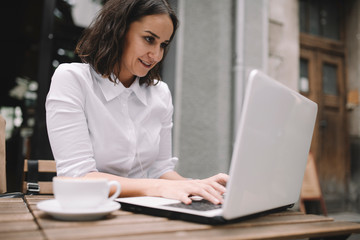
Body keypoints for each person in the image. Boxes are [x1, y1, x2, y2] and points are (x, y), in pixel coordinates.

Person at [46, 0, 228, 205]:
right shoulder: (72, 80)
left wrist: (199, 187)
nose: (156, 55)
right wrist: (159, 187)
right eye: (149, 39)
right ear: (118, 30)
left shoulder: (160, 93)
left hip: (146, 212)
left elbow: (161, 170)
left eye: (163, 45)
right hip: (91, 212)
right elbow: (77, 178)